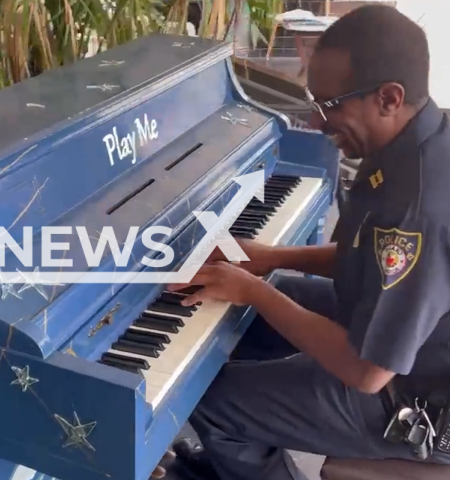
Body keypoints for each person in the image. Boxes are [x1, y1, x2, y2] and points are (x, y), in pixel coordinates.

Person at [158, 5, 450, 480]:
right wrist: (270, 259)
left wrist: (254, 288)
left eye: (331, 105)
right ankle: (237, 451)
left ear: (389, 98)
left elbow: (367, 371)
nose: (317, 123)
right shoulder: (416, 145)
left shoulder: (417, 207)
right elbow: (368, 258)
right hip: (405, 338)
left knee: (208, 400)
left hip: (413, 401)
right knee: (245, 314)